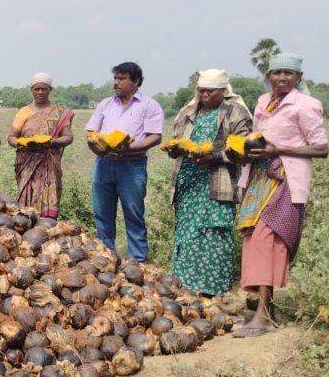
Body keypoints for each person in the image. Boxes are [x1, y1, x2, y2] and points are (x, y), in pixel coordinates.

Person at [234, 53, 328, 338]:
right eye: (276, 73)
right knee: (254, 241)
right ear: (268, 76)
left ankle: (263, 318)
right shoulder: (264, 102)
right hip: (259, 177)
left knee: (268, 241)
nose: (282, 78)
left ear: (299, 77)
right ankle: (265, 311)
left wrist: (280, 150)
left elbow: (322, 147)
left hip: (286, 179)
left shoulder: (307, 105)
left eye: (289, 73)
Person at [169, 69, 252, 298]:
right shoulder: (189, 110)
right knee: (187, 234)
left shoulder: (235, 111)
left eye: (211, 91)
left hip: (217, 181)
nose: (205, 95)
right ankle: (185, 286)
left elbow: (244, 148)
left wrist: (213, 155)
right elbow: (177, 140)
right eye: (202, 90)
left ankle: (213, 289)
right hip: (188, 182)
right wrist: (177, 147)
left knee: (215, 232)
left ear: (223, 90)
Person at [85, 62, 164, 262]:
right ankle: (106, 258)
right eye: (115, 78)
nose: (116, 83)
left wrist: (129, 148)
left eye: (122, 79)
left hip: (132, 165)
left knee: (133, 214)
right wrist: (97, 144)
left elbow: (155, 137)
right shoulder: (105, 104)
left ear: (135, 82)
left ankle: (138, 262)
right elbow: (91, 130)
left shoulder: (149, 105)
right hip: (103, 164)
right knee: (102, 214)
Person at [8, 72, 74, 217]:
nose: (40, 92)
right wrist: (22, 143)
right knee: (26, 200)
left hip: (49, 162)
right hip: (27, 162)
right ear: (31, 90)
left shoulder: (60, 112)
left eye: (44, 89)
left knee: (48, 200)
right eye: (36, 89)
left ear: (50, 90)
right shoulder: (23, 112)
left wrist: (51, 141)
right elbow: (12, 137)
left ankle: (48, 229)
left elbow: (68, 137)